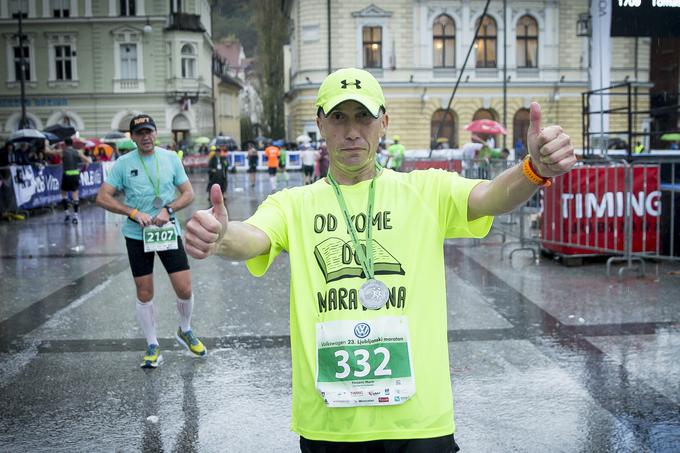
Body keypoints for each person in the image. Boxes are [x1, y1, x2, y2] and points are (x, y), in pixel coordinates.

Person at [183, 68, 575, 451]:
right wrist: (221, 237)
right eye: (338, 117)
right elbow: (252, 237)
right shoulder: (292, 203)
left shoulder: (426, 189)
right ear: (320, 124)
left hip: (419, 421)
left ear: (383, 122)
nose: (351, 131)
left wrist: (533, 170)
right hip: (330, 425)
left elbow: (490, 196)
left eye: (364, 117)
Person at [95, 114, 207, 369]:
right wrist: (132, 213)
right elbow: (102, 197)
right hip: (137, 234)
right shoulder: (123, 164)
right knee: (145, 292)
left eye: (149, 132)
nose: (145, 137)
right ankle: (152, 344)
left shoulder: (170, 158)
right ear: (133, 137)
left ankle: (185, 329)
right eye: (140, 133)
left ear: (156, 134)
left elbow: (188, 193)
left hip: (167, 231)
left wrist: (168, 209)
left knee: (184, 288)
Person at [45, 137, 92, 224]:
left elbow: (47, 152)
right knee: (75, 196)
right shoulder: (77, 152)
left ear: (65, 144)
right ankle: (76, 217)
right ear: (72, 144)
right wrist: (84, 168)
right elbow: (88, 160)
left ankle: (67, 214)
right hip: (75, 174)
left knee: (63, 194)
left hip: (66, 175)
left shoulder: (62, 151)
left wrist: (46, 143)